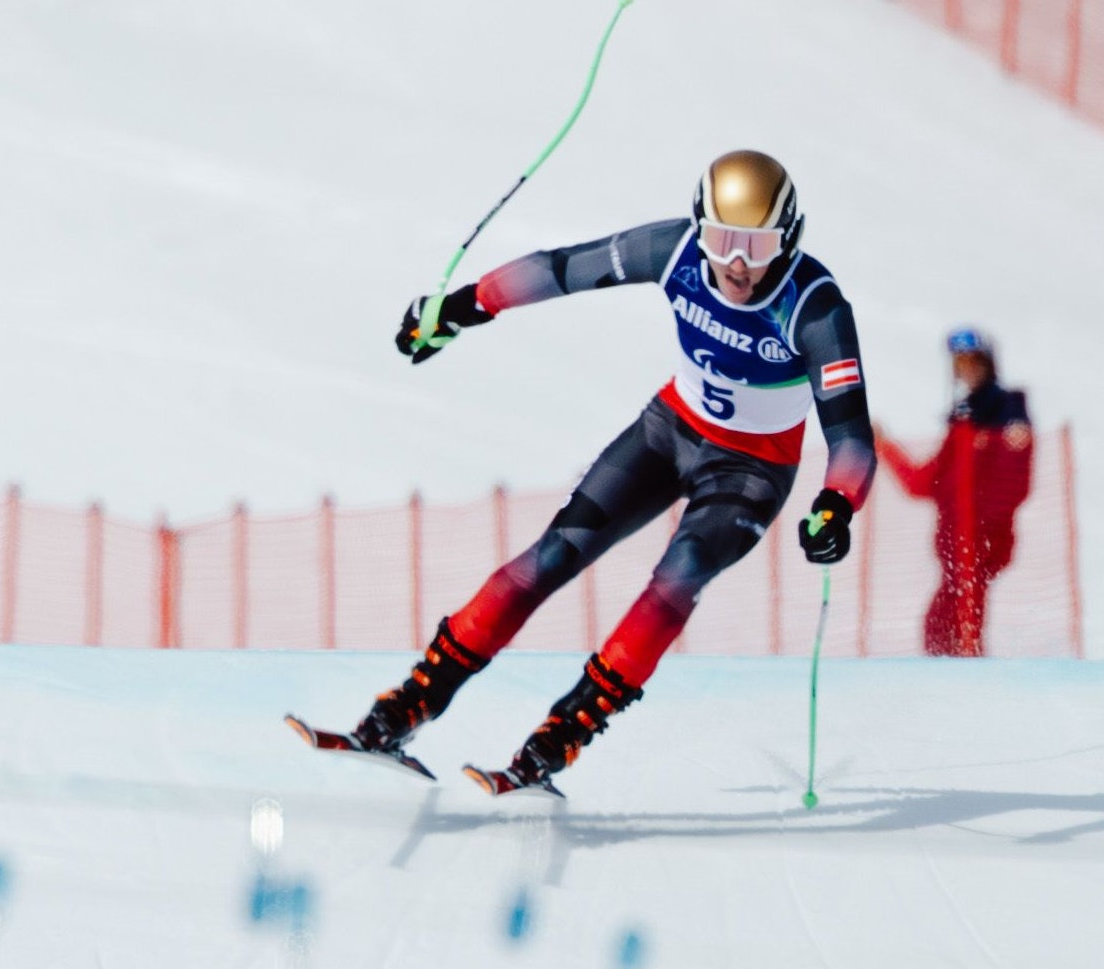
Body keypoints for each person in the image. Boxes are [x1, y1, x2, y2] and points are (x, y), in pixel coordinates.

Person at [354, 149, 876, 789]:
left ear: (789, 238)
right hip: (668, 431)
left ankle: (563, 734)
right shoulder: (677, 251)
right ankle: (409, 705)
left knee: (676, 578)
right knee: (552, 554)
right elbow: (562, 269)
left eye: (757, 245)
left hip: (750, 470)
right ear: (699, 227)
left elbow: (850, 438)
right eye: (722, 239)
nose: (737, 263)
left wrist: (837, 505)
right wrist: (463, 307)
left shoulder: (816, 309)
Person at [876, 328, 1033, 657]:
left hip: (978, 545)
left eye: (973, 360)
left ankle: (969, 686)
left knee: (960, 624)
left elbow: (1015, 483)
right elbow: (923, 483)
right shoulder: (961, 424)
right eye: (959, 362)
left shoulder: (1006, 412)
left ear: (988, 363)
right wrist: (884, 445)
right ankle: (957, 683)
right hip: (956, 549)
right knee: (942, 624)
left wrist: (981, 531)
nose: (965, 369)